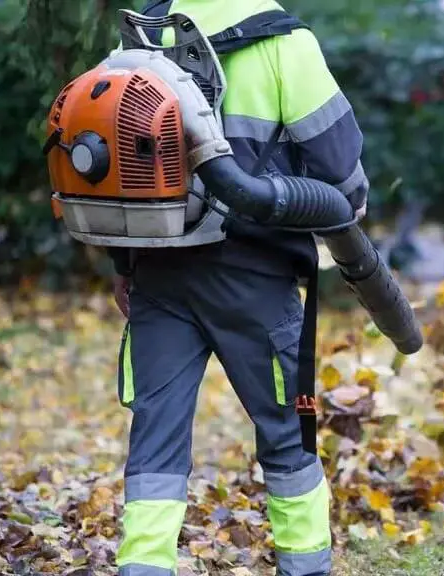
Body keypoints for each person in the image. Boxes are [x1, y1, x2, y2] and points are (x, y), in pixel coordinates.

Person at [107, 1, 369, 574]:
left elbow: (115, 156)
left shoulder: (143, 32)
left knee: (155, 439)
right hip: (255, 273)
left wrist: (123, 264)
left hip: (158, 271)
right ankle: (304, 566)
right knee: (286, 430)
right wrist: (347, 211)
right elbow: (338, 160)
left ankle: (143, 566)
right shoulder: (285, 43)